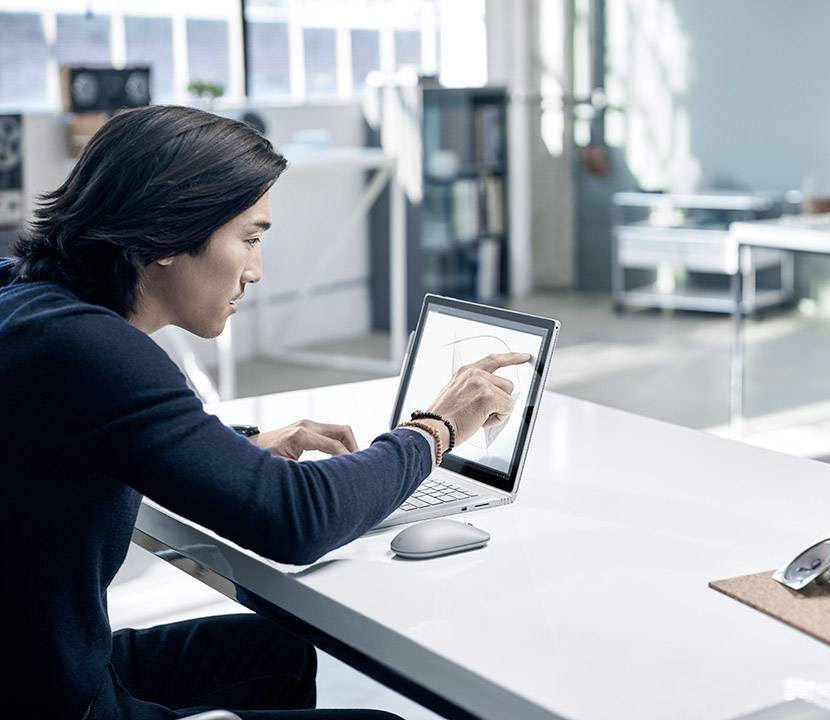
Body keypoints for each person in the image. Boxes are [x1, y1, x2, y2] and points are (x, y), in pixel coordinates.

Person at [0, 105, 529, 719]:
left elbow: (88, 433)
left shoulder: (26, 300)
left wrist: (233, 447)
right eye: (249, 239)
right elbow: (296, 520)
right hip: (56, 703)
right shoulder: (91, 349)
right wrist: (434, 430)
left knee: (275, 652)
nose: (256, 271)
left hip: (41, 664)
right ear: (166, 234)